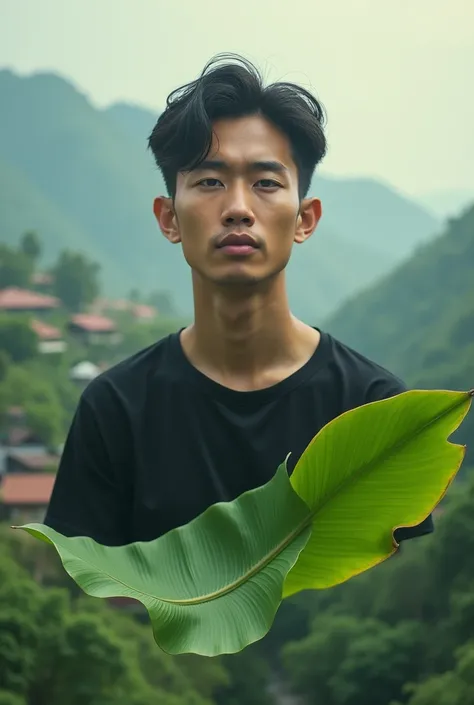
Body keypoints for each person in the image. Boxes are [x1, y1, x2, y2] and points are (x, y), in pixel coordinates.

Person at [44, 53, 433, 547]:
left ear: (304, 219)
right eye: (210, 182)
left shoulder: (373, 408)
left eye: (266, 183)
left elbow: (399, 603)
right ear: (168, 218)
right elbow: (84, 593)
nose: (238, 209)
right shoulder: (116, 410)